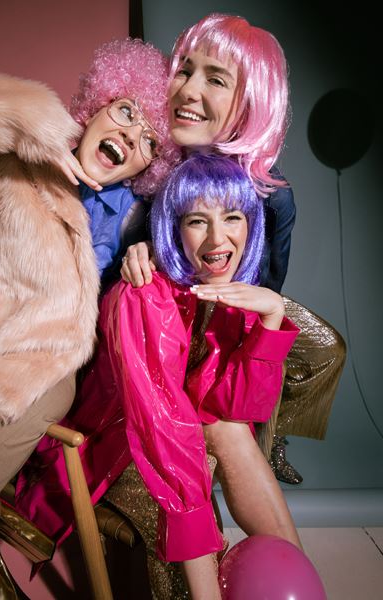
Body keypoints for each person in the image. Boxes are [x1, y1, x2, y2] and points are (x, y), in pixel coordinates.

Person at [17, 153, 300, 599]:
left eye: (232, 217)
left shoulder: (222, 291)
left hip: (178, 440)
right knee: (187, 480)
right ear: (173, 228)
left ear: (251, 224)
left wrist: (270, 317)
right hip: (117, 448)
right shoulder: (144, 295)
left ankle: (299, 572)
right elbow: (164, 432)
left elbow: (235, 408)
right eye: (197, 221)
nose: (218, 238)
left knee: (229, 429)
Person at [0, 37, 178, 599]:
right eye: (126, 113)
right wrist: (35, 133)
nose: (131, 137)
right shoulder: (17, 161)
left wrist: (151, 257)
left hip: (33, 376)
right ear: (96, 105)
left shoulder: (132, 220)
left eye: (149, 141)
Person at [121, 12, 346, 484]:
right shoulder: (148, 160)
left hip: (234, 313)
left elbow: (269, 282)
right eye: (183, 70)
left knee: (326, 347)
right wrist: (140, 251)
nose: (188, 90)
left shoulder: (271, 195)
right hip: (170, 322)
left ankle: (271, 432)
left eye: (215, 79)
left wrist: (261, 332)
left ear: (249, 103)